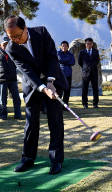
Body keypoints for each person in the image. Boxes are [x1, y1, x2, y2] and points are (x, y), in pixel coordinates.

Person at [4, 15, 68, 175]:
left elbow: (52, 57)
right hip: (33, 86)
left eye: (18, 36)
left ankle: (56, 160)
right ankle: (27, 159)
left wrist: (50, 82)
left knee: (55, 121)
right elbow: (27, 72)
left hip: (52, 79)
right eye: (12, 37)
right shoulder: (11, 47)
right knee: (31, 123)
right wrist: (43, 88)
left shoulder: (41, 32)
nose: (16, 40)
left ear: (25, 29)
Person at [0, 37, 23, 120]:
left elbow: (17, 65)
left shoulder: (14, 54)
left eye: (7, 44)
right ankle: (3, 115)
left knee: (16, 98)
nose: (5, 45)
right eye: (4, 44)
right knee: (2, 98)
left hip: (12, 79)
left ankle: (18, 115)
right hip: (1, 79)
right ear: (0, 45)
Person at [78, 38, 100, 108]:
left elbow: (97, 61)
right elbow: (80, 62)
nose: (89, 45)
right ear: (85, 44)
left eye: (90, 43)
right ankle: (85, 103)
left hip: (94, 72)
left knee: (95, 88)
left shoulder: (96, 51)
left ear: (92, 44)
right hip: (86, 73)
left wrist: (92, 66)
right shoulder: (82, 52)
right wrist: (85, 67)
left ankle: (95, 103)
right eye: (88, 43)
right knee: (85, 89)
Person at [57, 40, 75, 106]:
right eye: (63, 46)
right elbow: (60, 60)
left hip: (68, 75)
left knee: (67, 91)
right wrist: (68, 59)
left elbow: (73, 62)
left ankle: (65, 105)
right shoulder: (58, 53)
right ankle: (59, 105)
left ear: (68, 47)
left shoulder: (70, 54)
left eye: (65, 46)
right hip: (61, 75)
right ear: (61, 47)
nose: (64, 47)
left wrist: (65, 60)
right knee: (60, 91)